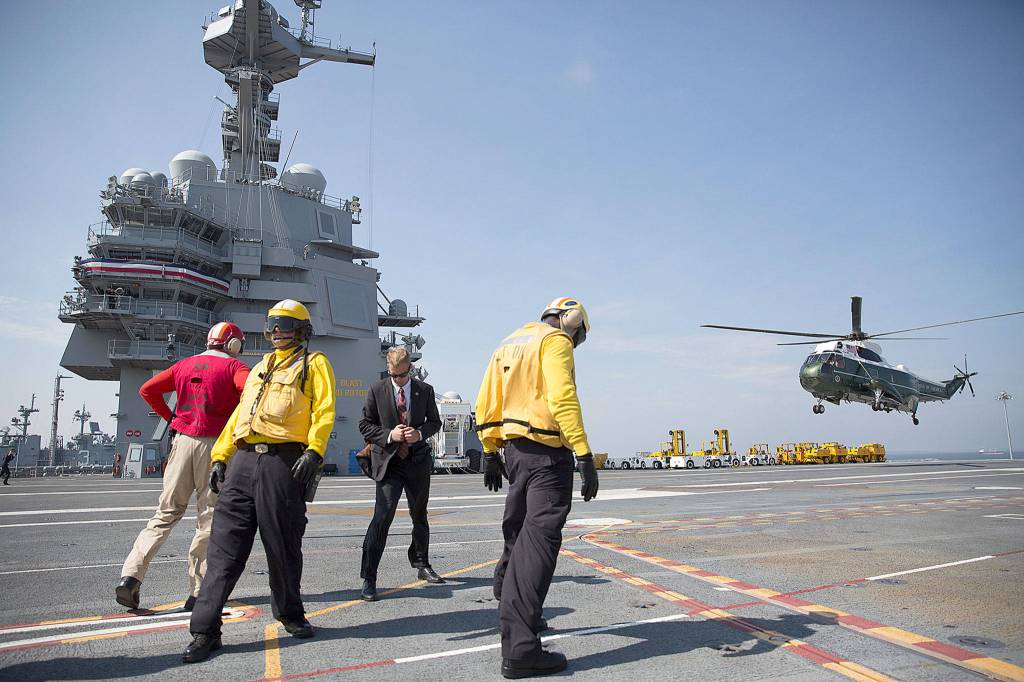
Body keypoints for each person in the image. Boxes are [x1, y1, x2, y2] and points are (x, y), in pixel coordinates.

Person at [184, 299, 336, 663]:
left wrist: (314, 451)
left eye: (285, 324)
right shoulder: (259, 368)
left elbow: (324, 410)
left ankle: (290, 613)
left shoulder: (314, 364)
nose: (278, 331)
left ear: (302, 330)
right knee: (223, 549)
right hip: (243, 462)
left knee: (282, 545)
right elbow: (240, 414)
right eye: (274, 325)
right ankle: (205, 630)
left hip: (283, 462)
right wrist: (220, 456)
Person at [476, 297, 599, 679]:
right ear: (571, 321)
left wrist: (489, 450)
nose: (576, 342)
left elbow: (486, 398)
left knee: (518, 532)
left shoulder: (510, 341)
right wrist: (583, 452)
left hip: (514, 453)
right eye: (579, 336)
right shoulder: (554, 340)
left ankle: (508, 601)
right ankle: (521, 649)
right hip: (547, 455)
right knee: (540, 544)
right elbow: (563, 397)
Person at [116, 322, 249, 611]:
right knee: (209, 517)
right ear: (234, 344)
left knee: (165, 512)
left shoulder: (183, 365)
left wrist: (172, 419)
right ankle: (199, 591)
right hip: (216, 446)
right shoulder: (235, 367)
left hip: (182, 442)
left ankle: (131, 575)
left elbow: (147, 390)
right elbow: (252, 396)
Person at [356, 346, 444, 601]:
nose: (398, 380)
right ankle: (369, 577)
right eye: (393, 375)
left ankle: (422, 563)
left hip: (417, 461)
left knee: (420, 514)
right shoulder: (377, 390)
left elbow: (434, 422)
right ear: (388, 369)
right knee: (382, 518)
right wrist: (389, 435)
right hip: (389, 463)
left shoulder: (425, 390)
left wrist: (419, 434)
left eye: (402, 375)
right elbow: (364, 425)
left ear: (410, 369)